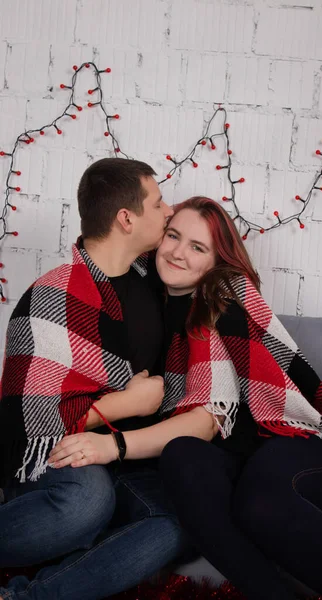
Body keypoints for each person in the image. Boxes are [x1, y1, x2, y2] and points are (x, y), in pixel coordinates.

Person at [44, 196, 322, 600]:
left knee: (259, 503)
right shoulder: (141, 301)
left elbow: (207, 418)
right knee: (181, 455)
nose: (178, 252)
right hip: (229, 460)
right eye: (173, 236)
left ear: (217, 261)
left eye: (197, 247)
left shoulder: (221, 299)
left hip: (291, 448)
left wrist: (113, 445)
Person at [0, 158, 187, 600]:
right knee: (88, 500)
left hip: (129, 456)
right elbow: (22, 426)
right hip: (53, 461)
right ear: (126, 218)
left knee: (180, 521)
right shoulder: (50, 297)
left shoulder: (157, 281)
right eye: (158, 202)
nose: (169, 210)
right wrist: (128, 404)